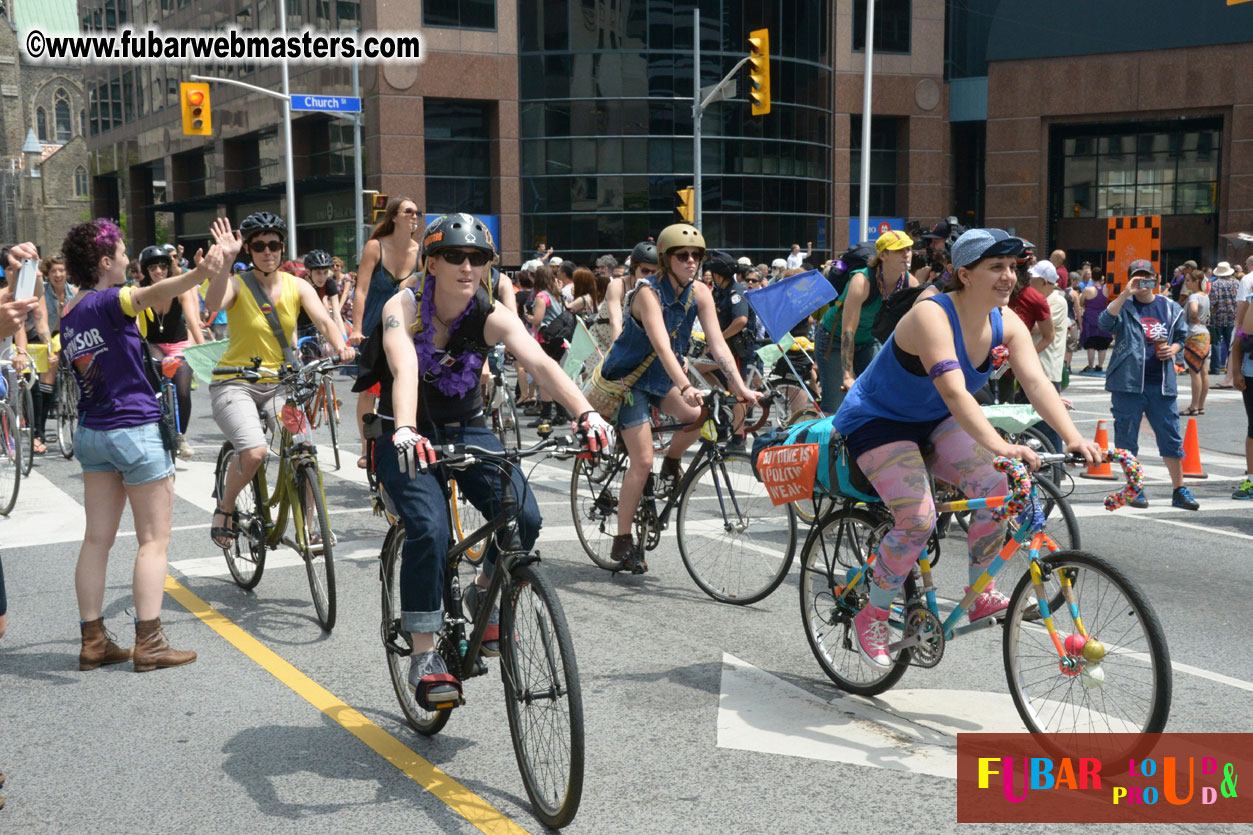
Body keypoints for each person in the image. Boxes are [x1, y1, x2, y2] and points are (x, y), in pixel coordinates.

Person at [363, 212, 612, 703]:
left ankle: (482, 590)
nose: (466, 266)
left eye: (477, 258)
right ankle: (423, 653)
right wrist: (408, 429)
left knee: (524, 514)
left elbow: (538, 363)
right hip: (403, 431)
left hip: (467, 427)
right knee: (430, 528)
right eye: (454, 256)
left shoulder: (492, 313)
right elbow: (404, 365)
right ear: (431, 263)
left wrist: (587, 414)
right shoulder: (403, 306)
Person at [833, 228, 1101, 668]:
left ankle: (980, 593)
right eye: (995, 267)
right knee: (917, 519)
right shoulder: (931, 316)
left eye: (1012, 268)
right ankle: (874, 611)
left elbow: (1035, 382)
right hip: (879, 421)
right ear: (965, 274)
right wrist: (1001, 444)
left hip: (935, 420)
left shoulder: (1005, 321)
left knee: (1001, 485)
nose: (1008, 277)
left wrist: (1073, 437)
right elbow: (956, 392)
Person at [59, 217, 239, 672]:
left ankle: (93, 640)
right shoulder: (110, 299)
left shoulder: (70, 308)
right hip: (134, 429)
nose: (129, 261)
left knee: (96, 539)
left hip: (92, 431)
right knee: (153, 541)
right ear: (104, 263)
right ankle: (151, 642)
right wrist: (200, 274)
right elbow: (148, 295)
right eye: (122, 254)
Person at [600, 223, 760, 573]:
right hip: (630, 381)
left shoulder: (700, 292)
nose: (691, 261)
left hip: (662, 378)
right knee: (642, 462)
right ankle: (623, 538)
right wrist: (686, 385)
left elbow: (719, 345)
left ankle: (672, 460)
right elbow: (660, 345)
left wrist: (741, 388)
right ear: (665, 259)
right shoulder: (646, 293)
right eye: (682, 255)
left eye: (696, 255)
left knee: (700, 414)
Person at [204, 212, 355, 547]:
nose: (267, 251)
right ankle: (225, 507)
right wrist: (226, 260)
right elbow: (212, 303)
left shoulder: (297, 286)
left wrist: (341, 345)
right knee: (256, 452)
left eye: (273, 244)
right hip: (235, 383)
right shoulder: (238, 284)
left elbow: (325, 321)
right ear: (250, 251)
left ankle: (310, 527)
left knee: (305, 450)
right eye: (259, 246)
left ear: (282, 248)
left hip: (280, 384)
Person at [1098, 259, 1198, 510]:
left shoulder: (1171, 308)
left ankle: (1179, 489)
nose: (1142, 282)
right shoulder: (1124, 306)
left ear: (1156, 279)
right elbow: (1104, 323)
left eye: (1146, 277)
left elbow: (1181, 338)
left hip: (1161, 384)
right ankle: (1134, 488)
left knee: (1170, 436)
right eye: (1137, 277)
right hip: (1128, 383)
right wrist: (1124, 293)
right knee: (1126, 437)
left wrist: (1173, 349)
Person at [350, 197, 421, 468]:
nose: (415, 216)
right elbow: (362, 290)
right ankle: (368, 448)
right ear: (394, 217)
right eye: (409, 211)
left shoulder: (419, 250)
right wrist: (356, 329)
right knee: (368, 391)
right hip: (372, 328)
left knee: (407, 382)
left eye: (417, 212)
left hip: (406, 328)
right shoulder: (375, 247)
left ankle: (407, 434)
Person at [816, 230, 914, 413]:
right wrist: (847, 375)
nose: (906, 254)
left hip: (869, 340)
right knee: (836, 404)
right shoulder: (862, 280)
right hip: (835, 340)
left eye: (908, 249)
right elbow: (848, 331)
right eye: (899, 250)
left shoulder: (910, 282)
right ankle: (826, 439)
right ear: (883, 255)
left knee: (878, 396)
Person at [134, 244, 205, 459]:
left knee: (183, 391)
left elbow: (193, 322)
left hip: (178, 344)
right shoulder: (139, 293)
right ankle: (154, 430)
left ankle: (181, 436)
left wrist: (203, 350)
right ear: (146, 271)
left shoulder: (179, 290)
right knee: (154, 385)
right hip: (152, 344)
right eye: (153, 267)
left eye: (163, 266)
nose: (158, 271)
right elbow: (136, 326)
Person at [28, 256, 75, 453]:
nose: (58, 275)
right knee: (49, 370)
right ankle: (38, 431)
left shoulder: (74, 292)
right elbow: (42, 324)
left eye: (62, 270)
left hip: (67, 336)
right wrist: (49, 347)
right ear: (48, 273)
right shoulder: (43, 292)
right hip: (43, 336)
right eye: (54, 271)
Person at [1026, 261, 1069, 453]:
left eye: (1031, 280)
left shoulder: (1057, 301)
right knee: (1033, 420)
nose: (1028, 283)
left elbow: (1036, 326)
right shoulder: (1040, 299)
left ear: (1043, 282)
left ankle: (1054, 463)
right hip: (1033, 367)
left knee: (1049, 420)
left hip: (1047, 368)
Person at [593, 240, 658, 353]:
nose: (649, 276)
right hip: (600, 341)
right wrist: (615, 353)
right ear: (634, 268)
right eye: (645, 271)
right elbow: (616, 322)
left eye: (654, 272)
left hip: (631, 344)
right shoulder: (618, 285)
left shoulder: (656, 289)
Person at [525, 264, 569, 427]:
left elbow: (537, 319)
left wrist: (527, 316)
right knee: (554, 376)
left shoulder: (541, 296)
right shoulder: (556, 294)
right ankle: (561, 413)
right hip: (558, 340)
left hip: (545, 340)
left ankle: (546, 415)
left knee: (544, 377)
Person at [296, 249, 347, 356]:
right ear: (309, 272)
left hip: (314, 322)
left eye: (325, 273)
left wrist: (344, 341)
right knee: (298, 359)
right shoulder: (297, 283)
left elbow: (337, 315)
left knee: (328, 350)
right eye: (318, 273)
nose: (322, 277)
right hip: (295, 324)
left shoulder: (329, 283)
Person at [1229, 284, 1253, 498]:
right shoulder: (1250, 300)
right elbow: (1241, 336)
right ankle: (1252, 481)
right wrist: (1236, 370)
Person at [1181, 269, 1211, 415]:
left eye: (1188, 280)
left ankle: (1193, 406)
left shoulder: (1193, 296)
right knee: (1204, 371)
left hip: (1194, 334)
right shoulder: (1205, 296)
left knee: (1195, 371)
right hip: (1205, 334)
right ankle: (1200, 405)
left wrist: (1192, 316)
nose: (1185, 283)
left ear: (1196, 282)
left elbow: (1193, 310)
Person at [1208, 261, 1238, 376]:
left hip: (1218, 317)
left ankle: (1216, 367)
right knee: (1231, 344)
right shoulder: (1236, 283)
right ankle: (1230, 368)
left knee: (1216, 343)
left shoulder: (1215, 284)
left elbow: (1213, 301)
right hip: (1233, 317)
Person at [1079, 272, 1113, 372]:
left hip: (1090, 317)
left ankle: (1090, 366)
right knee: (1103, 344)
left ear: (1092, 278)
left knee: (1091, 343)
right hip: (1103, 317)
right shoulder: (1106, 289)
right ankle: (1100, 366)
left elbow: (1081, 302)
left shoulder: (1087, 290)